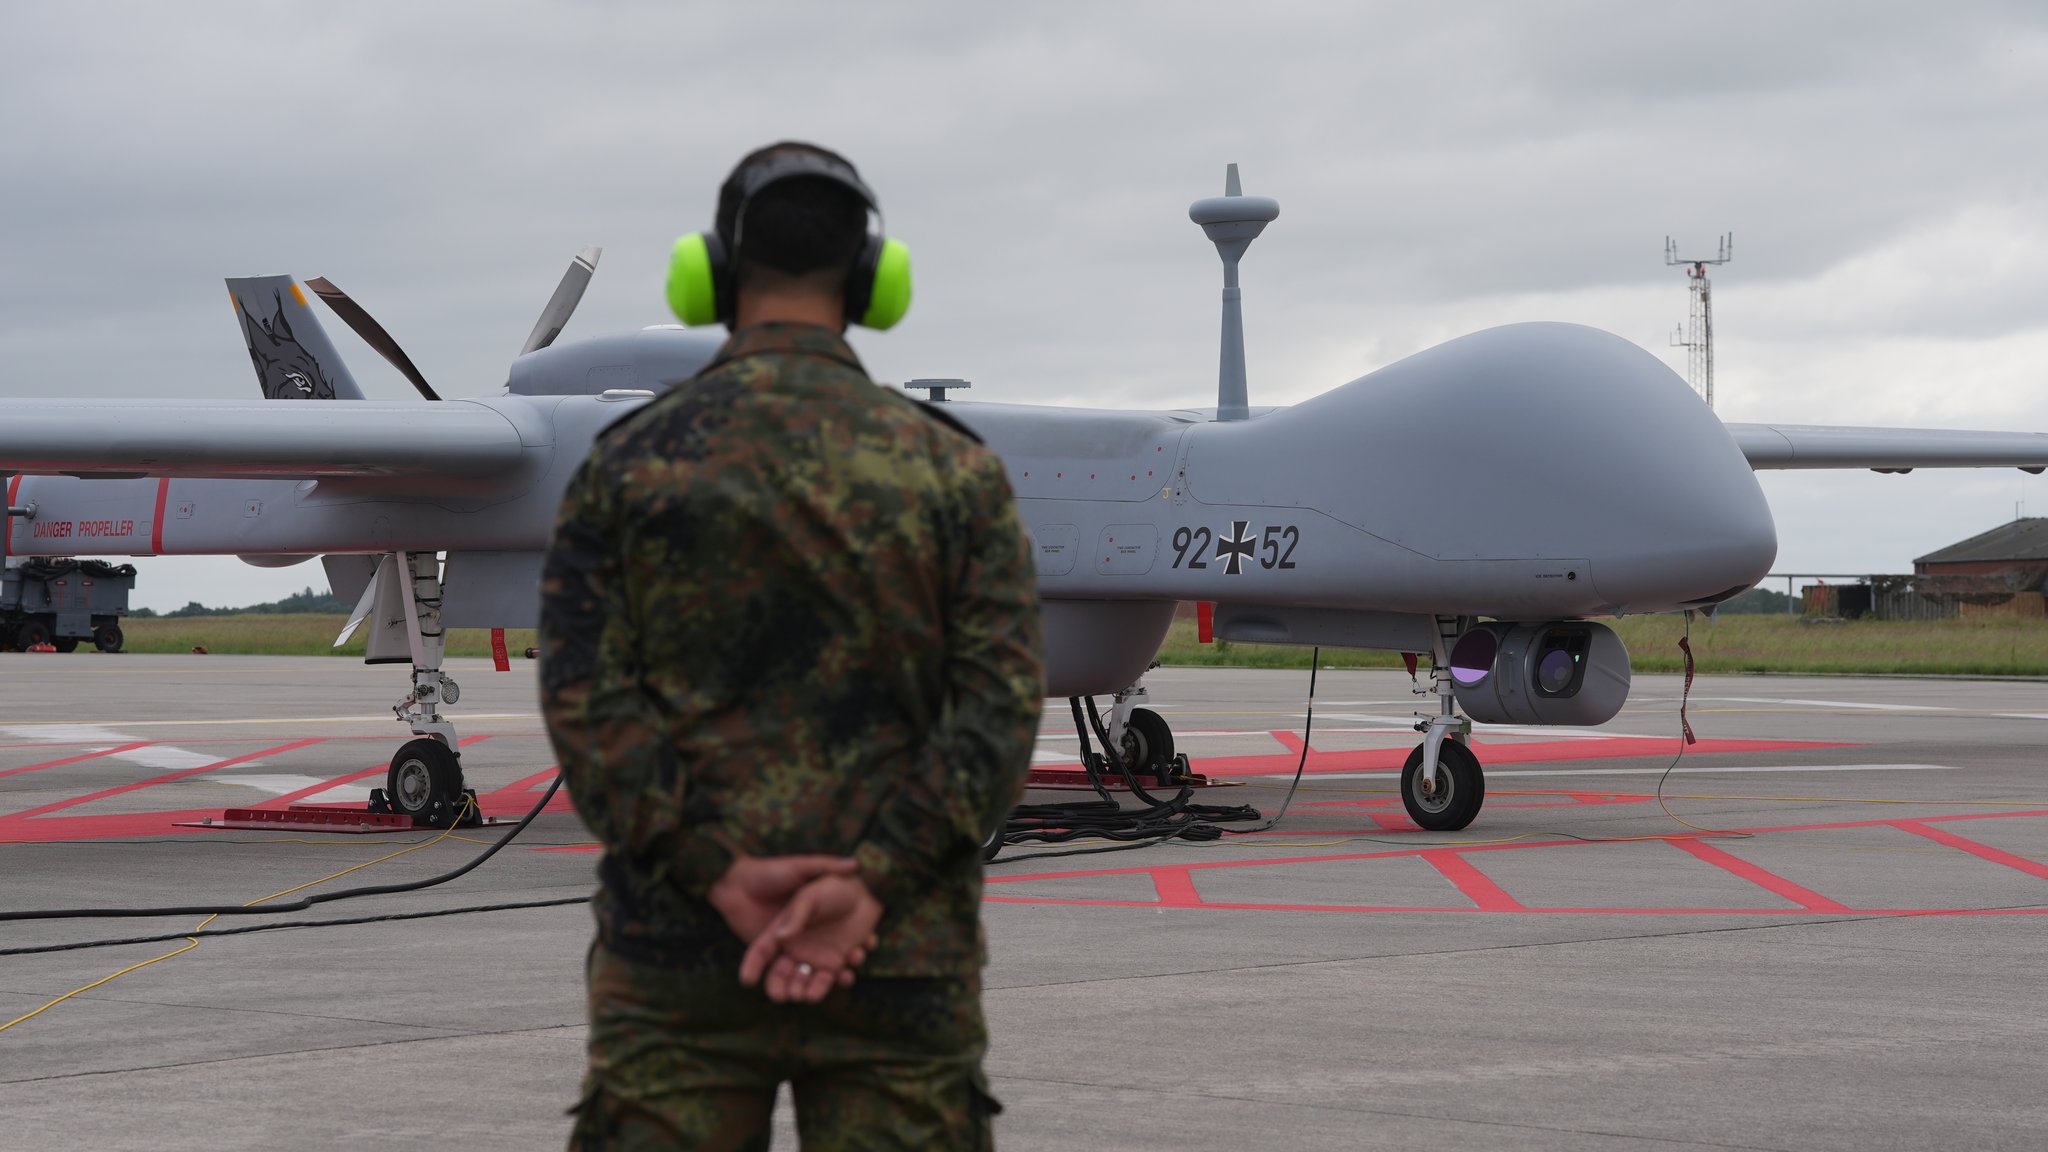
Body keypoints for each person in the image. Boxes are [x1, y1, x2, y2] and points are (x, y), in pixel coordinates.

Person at [539, 141, 1044, 1151]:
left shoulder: (629, 466)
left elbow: (587, 700)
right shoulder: (953, 473)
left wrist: (714, 868)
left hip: (678, 950)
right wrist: (871, 886)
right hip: (895, 958)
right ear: (870, 286)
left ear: (712, 278)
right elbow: (996, 710)